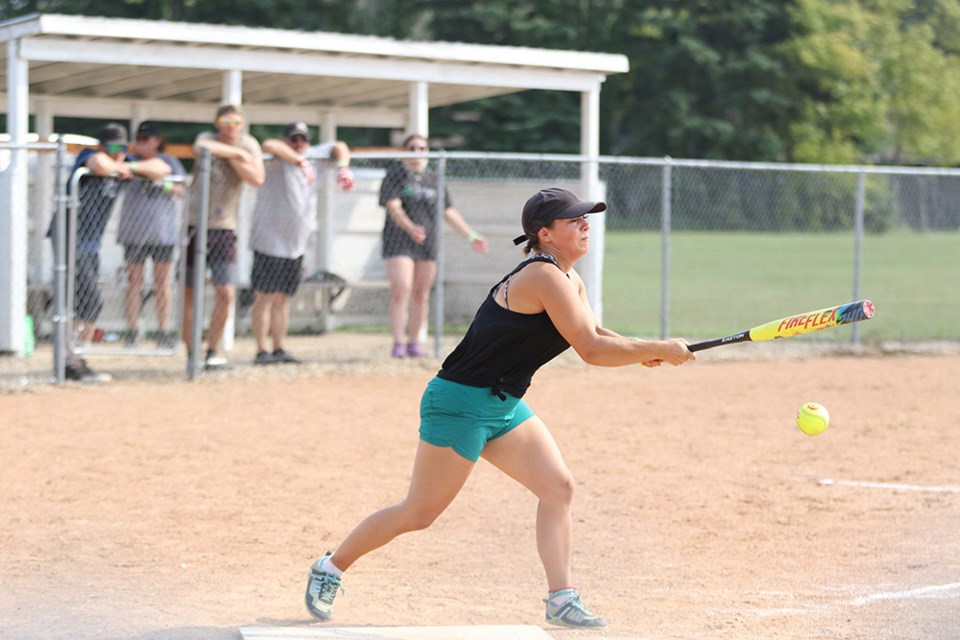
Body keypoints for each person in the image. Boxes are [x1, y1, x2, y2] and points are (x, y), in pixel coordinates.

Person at [304, 187, 696, 628]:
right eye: (575, 221)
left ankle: (561, 597)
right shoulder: (542, 275)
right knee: (419, 513)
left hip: (503, 404)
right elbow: (589, 348)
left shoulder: (569, 278)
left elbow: (594, 330)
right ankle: (330, 567)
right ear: (544, 234)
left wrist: (644, 350)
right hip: (460, 401)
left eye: (586, 218)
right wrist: (657, 346)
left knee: (558, 487)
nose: (586, 225)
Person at [51, 123, 171, 382]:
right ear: (103, 146)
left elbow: (163, 168)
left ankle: (73, 358)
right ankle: (70, 359)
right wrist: (119, 166)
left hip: (90, 244)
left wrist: (132, 166)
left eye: (123, 148)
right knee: (89, 301)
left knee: (85, 302)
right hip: (69, 238)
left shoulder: (125, 161)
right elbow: (99, 165)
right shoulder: (89, 156)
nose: (119, 153)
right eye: (114, 148)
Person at [249, 122, 356, 365]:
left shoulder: (315, 156)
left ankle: (279, 347)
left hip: (296, 244)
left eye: (302, 140)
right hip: (268, 240)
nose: (299, 144)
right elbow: (269, 144)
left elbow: (340, 146)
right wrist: (300, 162)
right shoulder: (277, 157)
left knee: (283, 298)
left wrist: (343, 168)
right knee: (264, 297)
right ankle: (261, 350)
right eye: (293, 139)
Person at [379, 133, 489, 358]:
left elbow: (448, 210)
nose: (417, 153)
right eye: (412, 148)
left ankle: (414, 343)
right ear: (403, 151)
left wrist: (471, 235)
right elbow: (393, 206)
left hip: (427, 243)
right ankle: (398, 343)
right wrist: (410, 228)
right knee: (402, 288)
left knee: (421, 293)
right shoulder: (395, 175)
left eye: (422, 148)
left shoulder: (434, 178)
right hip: (399, 241)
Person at [182, 104, 265, 370]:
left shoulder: (249, 143)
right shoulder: (207, 137)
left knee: (226, 292)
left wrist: (233, 156)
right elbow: (203, 149)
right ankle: (191, 354)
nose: (230, 125)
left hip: (225, 226)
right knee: (191, 292)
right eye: (225, 120)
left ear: (242, 123)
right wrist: (238, 154)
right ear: (217, 123)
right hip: (196, 224)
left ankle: (212, 350)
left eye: (235, 120)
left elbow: (257, 177)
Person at [117, 122, 187, 349]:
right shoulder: (129, 161)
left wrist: (162, 185)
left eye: (147, 138)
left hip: (161, 232)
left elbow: (181, 189)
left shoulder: (169, 162)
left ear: (157, 140)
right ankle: (133, 330)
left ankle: (163, 330)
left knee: (162, 283)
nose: (142, 142)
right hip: (134, 232)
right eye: (139, 138)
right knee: (134, 282)